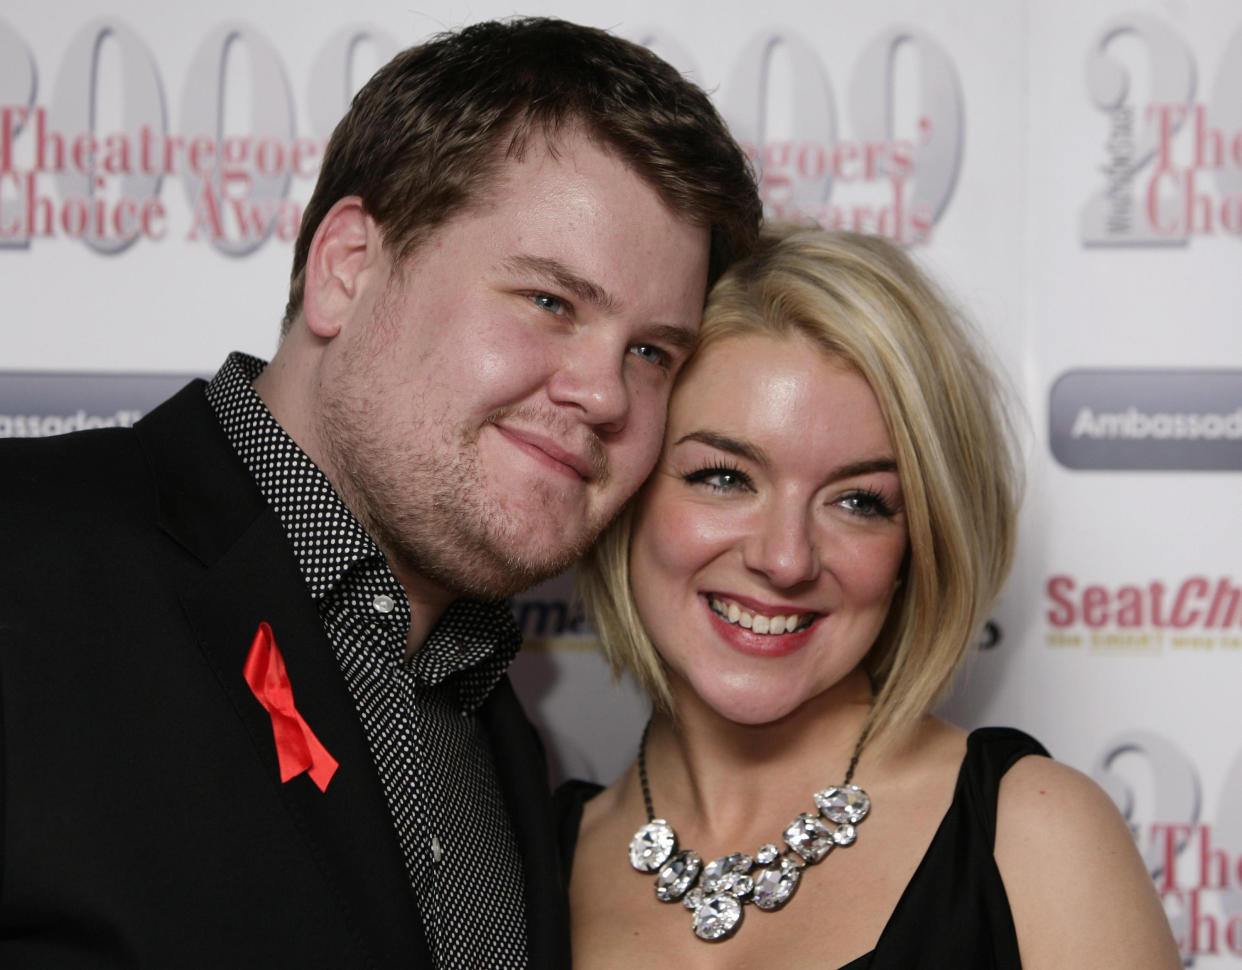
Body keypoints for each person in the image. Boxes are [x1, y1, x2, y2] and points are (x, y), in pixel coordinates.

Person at [0, 18, 759, 968]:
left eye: (650, 353)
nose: (606, 394)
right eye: (551, 302)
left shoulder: (497, 732)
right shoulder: (25, 559)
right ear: (347, 268)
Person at [561, 226, 1182, 969]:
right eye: (724, 478)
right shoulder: (524, 856)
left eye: (858, 501)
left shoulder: (1034, 836)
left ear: (917, 544)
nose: (785, 559)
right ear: (628, 492)